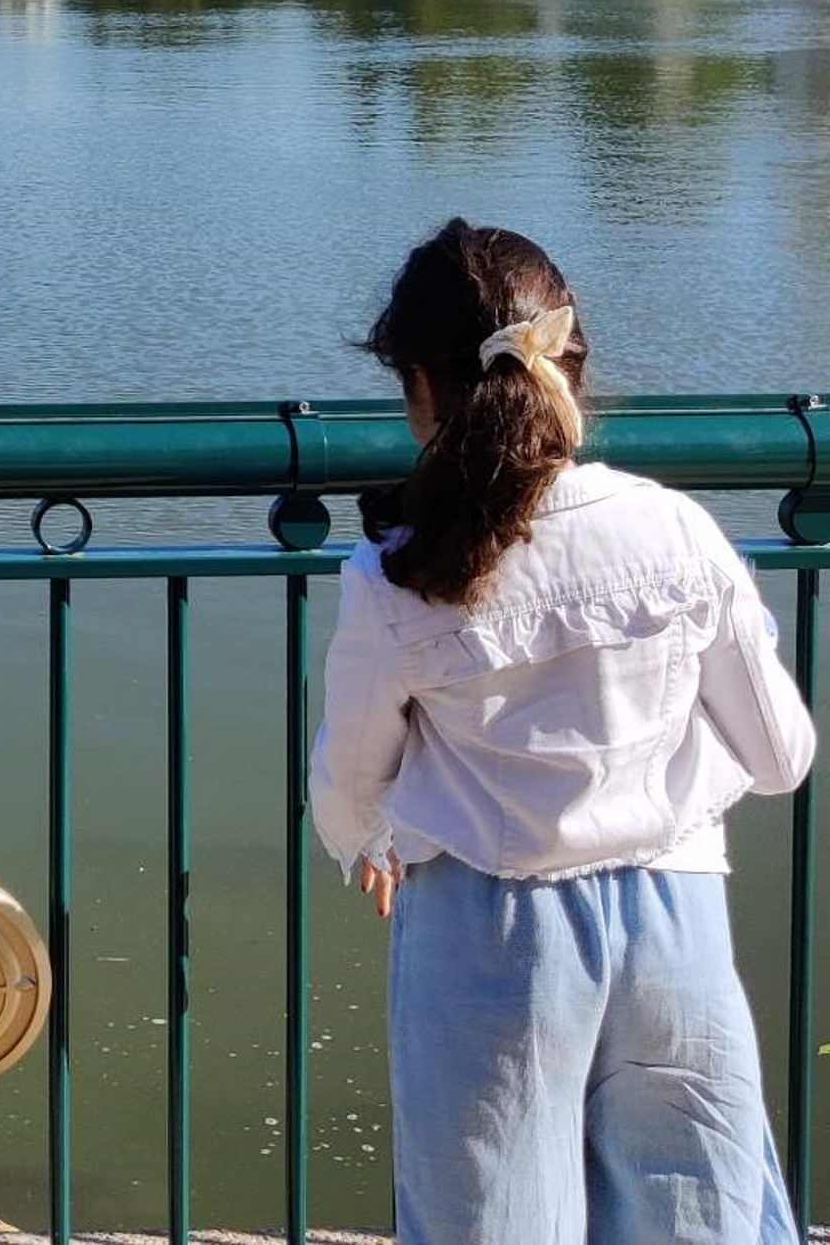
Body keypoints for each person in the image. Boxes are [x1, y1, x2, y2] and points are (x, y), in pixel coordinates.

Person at [310, 218, 815, 1244]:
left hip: (486, 931)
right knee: (693, 1210)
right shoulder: (675, 529)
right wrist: (658, 764)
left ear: (421, 389)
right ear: (571, 368)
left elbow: (349, 789)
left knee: (492, 1216)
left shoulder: (397, 572)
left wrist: (376, 839)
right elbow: (780, 757)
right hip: (674, 917)